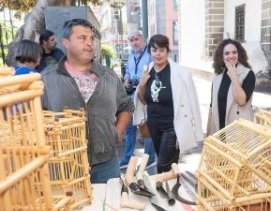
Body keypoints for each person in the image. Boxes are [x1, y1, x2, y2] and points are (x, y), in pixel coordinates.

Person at [41, 18, 133, 184]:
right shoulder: (47, 79)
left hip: (106, 164)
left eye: (91, 38)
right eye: (82, 38)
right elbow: (36, 117)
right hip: (66, 165)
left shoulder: (109, 76)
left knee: (109, 206)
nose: (90, 43)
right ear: (66, 43)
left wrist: (119, 130)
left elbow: (126, 105)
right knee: (72, 209)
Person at [134, 34, 202, 173]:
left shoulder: (181, 73)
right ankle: (171, 191)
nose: (157, 54)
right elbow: (144, 100)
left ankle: (163, 191)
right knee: (169, 165)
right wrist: (141, 84)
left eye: (161, 50)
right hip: (153, 125)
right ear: (150, 52)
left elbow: (192, 103)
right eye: (154, 50)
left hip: (172, 127)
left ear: (167, 51)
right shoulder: (147, 71)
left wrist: (185, 132)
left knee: (163, 166)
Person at [120, 30, 156, 169]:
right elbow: (128, 71)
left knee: (144, 125)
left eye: (137, 39)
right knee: (130, 127)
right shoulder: (130, 55)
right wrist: (126, 79)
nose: (134, 42)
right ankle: (128, 158)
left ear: (143, 39)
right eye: (131, 40)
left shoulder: (150, 54)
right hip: (131, 94)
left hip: (145, 94)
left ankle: (149, 158)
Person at [206, 38, 255, 136]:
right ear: (222, 56)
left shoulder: (248, 74)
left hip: (238, 132)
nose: (231, 56)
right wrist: (208, 131)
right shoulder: (217, 75)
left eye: (234, 52)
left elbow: (241, 101)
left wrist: (233, 76)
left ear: (239, 54)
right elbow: (212, 105)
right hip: (219, 129)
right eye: (227, 53)